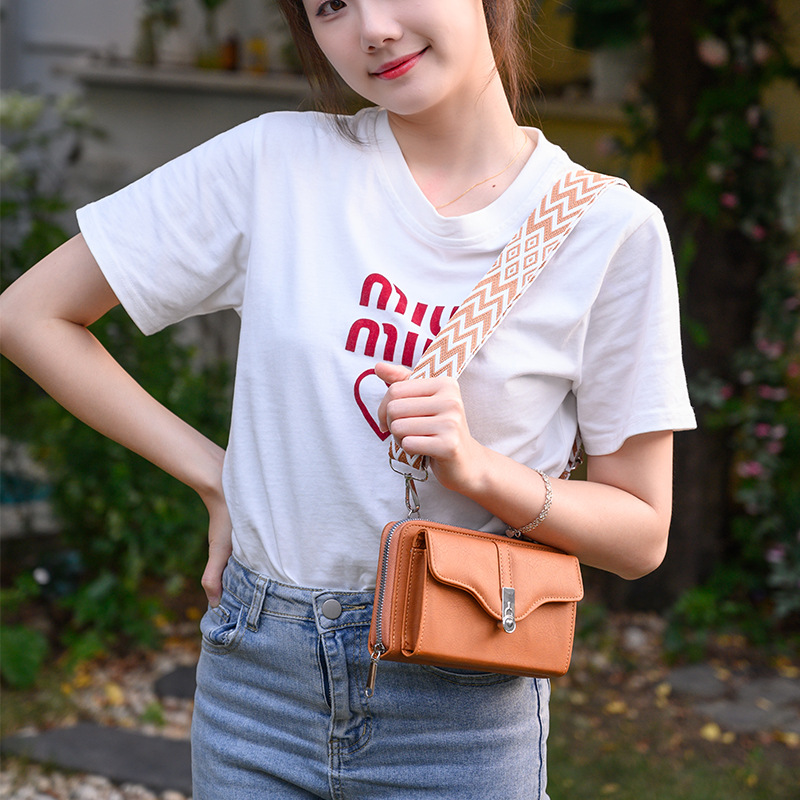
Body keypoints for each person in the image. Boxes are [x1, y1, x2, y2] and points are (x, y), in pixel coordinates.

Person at [0, 0, 696, 796]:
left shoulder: (609, 232)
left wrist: (478, 470)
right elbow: (29, 315)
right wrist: (215, 477)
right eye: (330, 4)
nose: (372, 29)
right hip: (256, 684)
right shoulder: (277, 164)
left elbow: (640, 533)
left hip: (462, 703)